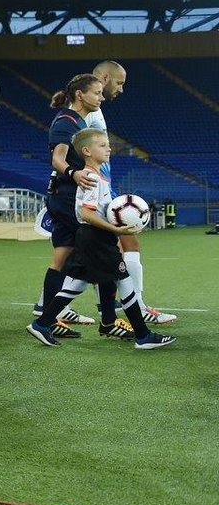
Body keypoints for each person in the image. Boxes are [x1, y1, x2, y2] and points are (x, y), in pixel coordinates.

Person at [27, 129, 176, 350]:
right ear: (87, 151)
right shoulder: (92, 178)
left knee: (77, 283)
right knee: (124, 280)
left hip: (90, 237)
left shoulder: (95, 176)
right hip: (96, 237)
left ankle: (41, 324)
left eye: (108, 145)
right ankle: (143, 336)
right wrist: (116, 229)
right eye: (103, 145)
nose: (109, 149)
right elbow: (87, 214)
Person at [78, 61, 175, 325]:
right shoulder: (88, 112)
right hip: (93, 189)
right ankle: (135, 307)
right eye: (119, 83)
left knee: (87, 254)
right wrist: (80, 176)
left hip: (102, 187)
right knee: (111, 248)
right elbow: (73, 147)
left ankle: (94, 309)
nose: (121, 89)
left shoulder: (95, 110)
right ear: (104, 77)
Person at [32, 73, 106, 337]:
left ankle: (47, 317)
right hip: (68, 197)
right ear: (80, 95)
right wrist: (73, 173)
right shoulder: (67, 122)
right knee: (101, 249)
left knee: (63, 254)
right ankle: (109, 318)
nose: (101, 98)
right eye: (97, 92)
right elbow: (57, 159)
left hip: (65, 194)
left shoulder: (79, 122)